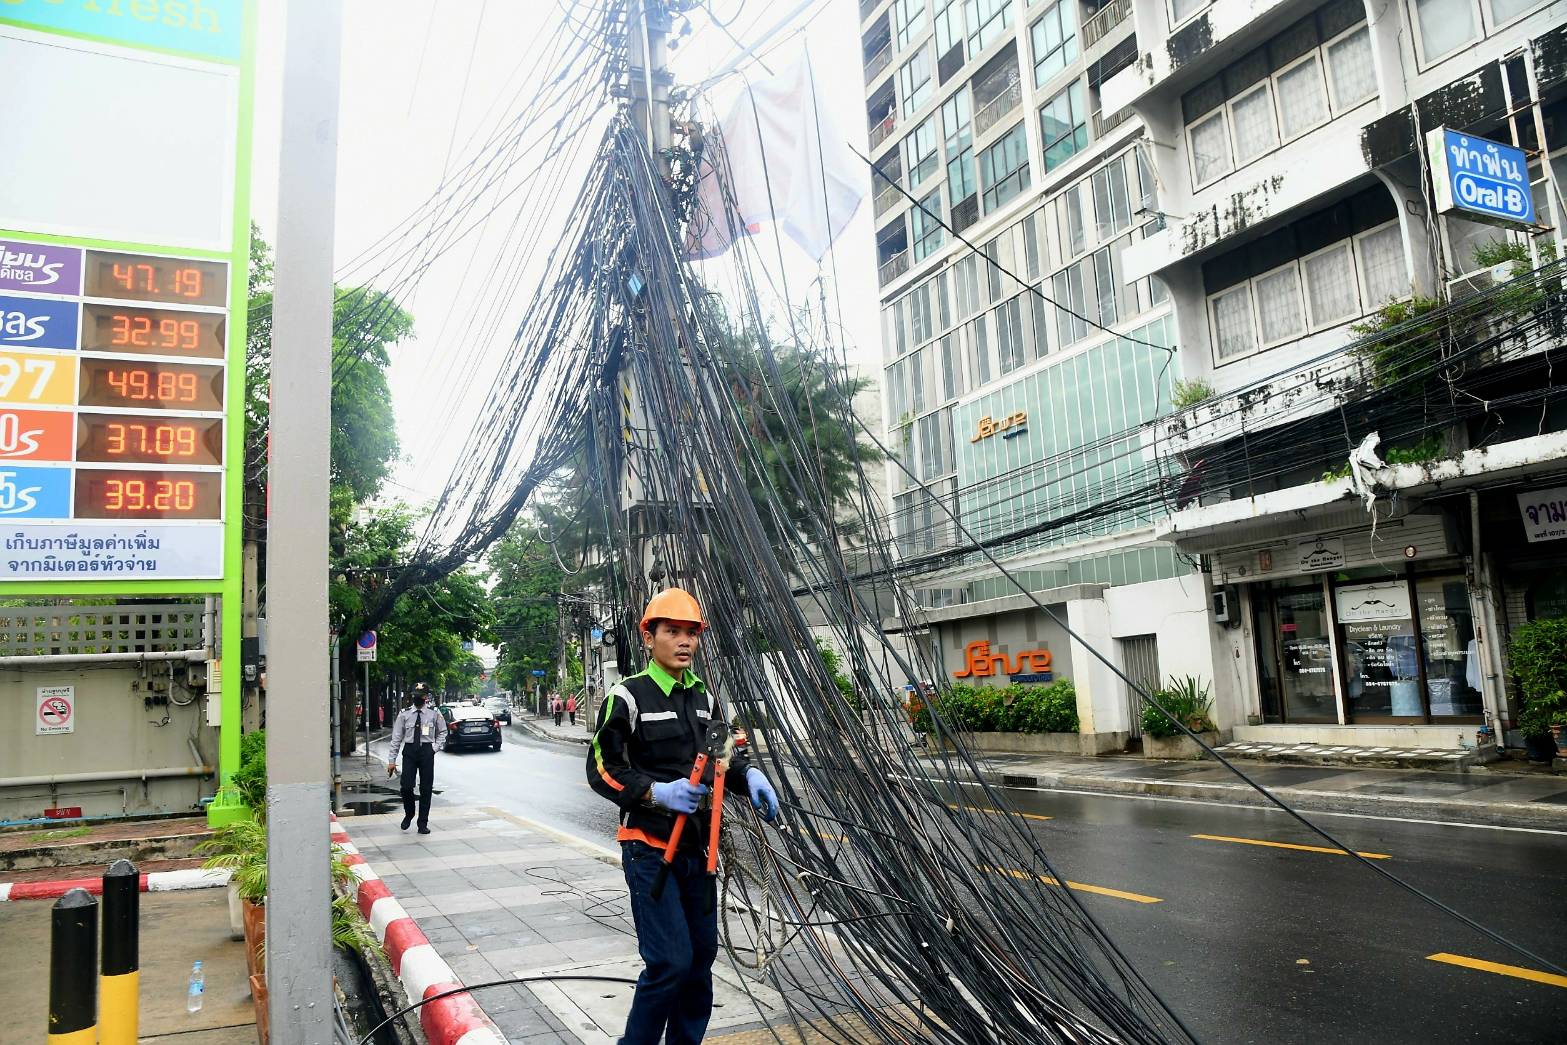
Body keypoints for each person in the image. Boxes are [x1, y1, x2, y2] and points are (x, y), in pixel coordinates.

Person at [587, 588, 779, 1045]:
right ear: (649, 637)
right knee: (669, 961)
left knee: (699, 958)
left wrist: (749, 775)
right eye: (672, 631)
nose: (683, 641)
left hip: (699, 850)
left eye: (691, 632)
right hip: (649, 849)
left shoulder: (706, 699)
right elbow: (601, 768)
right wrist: (655, 792)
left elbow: (727, 755)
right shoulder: (627, 697)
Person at [387, 683, 447, 834]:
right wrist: (392, 761)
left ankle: (422, 823)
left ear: (426, 697)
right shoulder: (404, 714)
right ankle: (409, 813)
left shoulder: (434, 713)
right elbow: (396, 738)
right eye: (414, 696)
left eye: (420, 696)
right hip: (409, 752)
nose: (417, 698)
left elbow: (443, 732)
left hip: (427, 751)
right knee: (406, 786)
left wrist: (434, 749)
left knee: (426, 788)